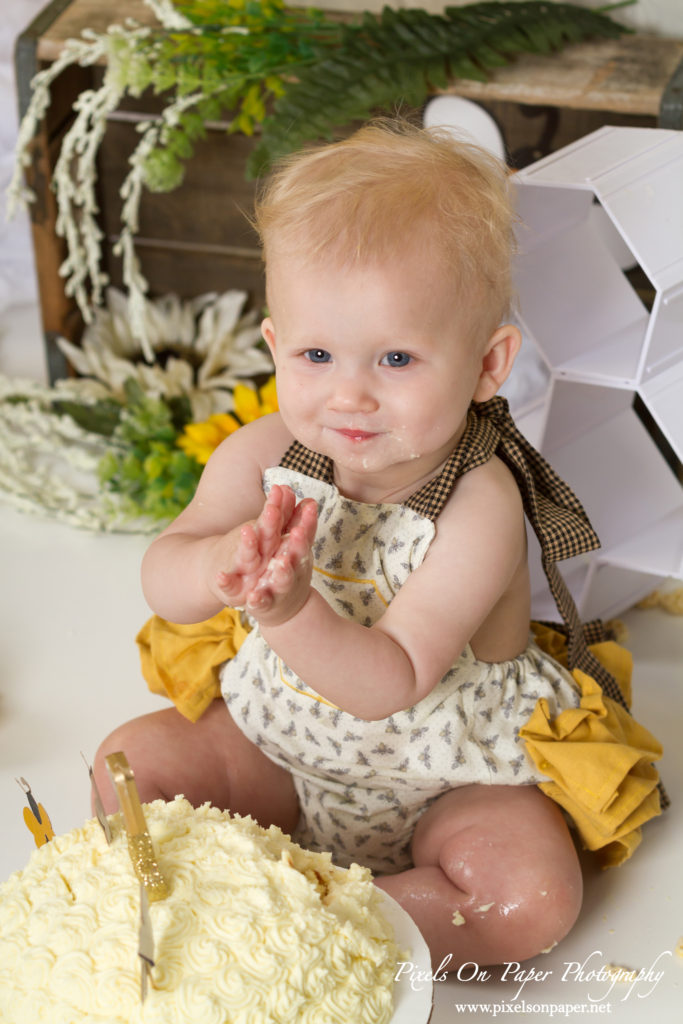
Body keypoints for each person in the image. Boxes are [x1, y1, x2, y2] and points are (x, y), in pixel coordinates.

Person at [94, 119, 662, 969]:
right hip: (277, 746)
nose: (350, 395)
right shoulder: (260, 453)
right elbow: (161, 577)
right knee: (125, 767)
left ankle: (311, 929)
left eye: (396, 358)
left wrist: (286, 610)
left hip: (446, 776)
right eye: (318, 354)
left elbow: (390, 680)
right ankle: (236, 890)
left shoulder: (480, 503)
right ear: (275, 347)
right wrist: (212, 565)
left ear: (484, 366)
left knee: (530, 899)